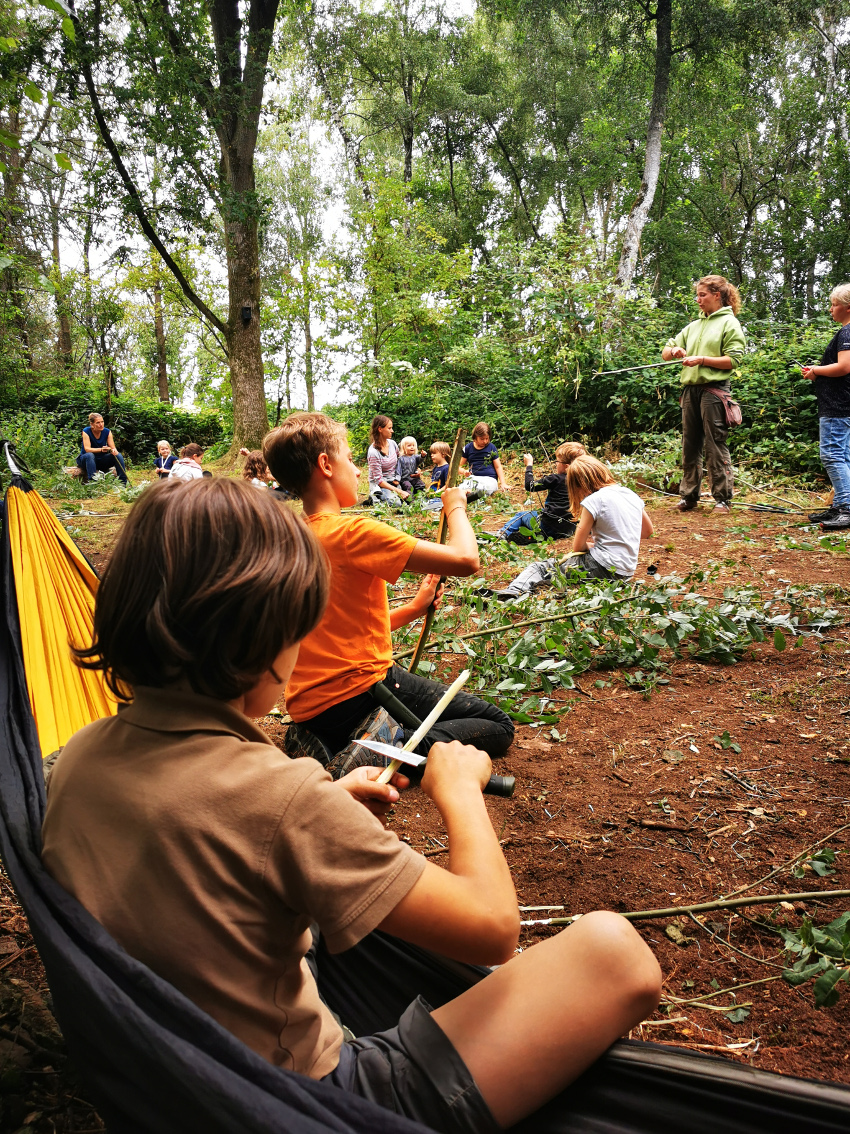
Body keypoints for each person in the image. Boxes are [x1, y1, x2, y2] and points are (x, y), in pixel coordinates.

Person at [41, 476, 661, 1132]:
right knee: (613, 950)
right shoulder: (281, 799)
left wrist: (325, 809)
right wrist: (458, 794)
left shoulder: (76, 761)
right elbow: (493, 929)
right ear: (269, 641)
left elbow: (204, 865)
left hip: (170, 1079)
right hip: (305, 1102)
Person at [263, 412, 514, 760]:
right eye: (350, 460)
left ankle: (326, 740)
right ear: (325, 465)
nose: (356, 470)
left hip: (310, 708)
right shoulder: (352, 533)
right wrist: (456, 507)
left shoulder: (287, 538)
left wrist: (414, 608)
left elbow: (336, 631)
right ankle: (383, 748)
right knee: (498, 725)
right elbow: (465, 560)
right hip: (361, 691)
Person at [496, 455, 653, 600]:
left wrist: (593, 545)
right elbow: (647, 531)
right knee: (565, 572)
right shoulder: (630, 493)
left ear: (579, 484)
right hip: (625, 573)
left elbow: (578, 546)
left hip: (600, 566)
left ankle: (514, 591)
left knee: (542, 567)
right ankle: (560, 585)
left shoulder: (593, 500)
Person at [661, 275, 746, 514]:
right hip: (690, 391)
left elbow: (734, 360)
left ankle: (722, 499)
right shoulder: (693, 326)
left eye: (703, 295)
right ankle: (689, 497)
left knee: (715, 444)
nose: (698, 300)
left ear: (717, 295)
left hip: (715, 392)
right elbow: (665, 352)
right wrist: (675, 350)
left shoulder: (729, 323)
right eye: (697, 295)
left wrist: (702, 360)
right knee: (689, 445)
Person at [802, 284, 850, 530]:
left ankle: (845, 508)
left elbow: (844, 366)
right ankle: (840, 505)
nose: (831, 309)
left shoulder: (846, 333)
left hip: (838, 406)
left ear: (847, 307)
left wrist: (815, 370)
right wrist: (817, 375)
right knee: (844, 456)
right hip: (843, 405)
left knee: (832, 455)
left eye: (834, 304)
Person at [497, 442, 587, 544]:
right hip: (569, 529)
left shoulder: (555, 479)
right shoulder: (584, 482)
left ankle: (502, 533)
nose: (556, 464)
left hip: (547, 525)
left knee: (522, 515)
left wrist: (529, 466)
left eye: (557, 461)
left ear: (566, 466)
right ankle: (534, 535)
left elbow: (530, 485)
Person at [76, 413, 128, 485]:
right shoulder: (86, 431)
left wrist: (113, 450)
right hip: (86, 460)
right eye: (98, 422)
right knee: (90, 455)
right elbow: (87, 449)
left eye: (102, 422)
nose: (101, 424)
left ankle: (123, 483)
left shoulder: (107, 432)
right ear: (92, 424)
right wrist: (101, 449)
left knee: (118, 455)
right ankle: (93, 484)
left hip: (100, 460)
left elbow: (113, 448)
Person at [367, 415, 406, 504]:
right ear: (380, 429)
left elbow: (400, 462)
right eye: (389, 428)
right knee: (396, 503)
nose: (392, 431)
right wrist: (399, 491)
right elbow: (379, 481)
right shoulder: (373, 452)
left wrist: (414, 469)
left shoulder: (393, 444)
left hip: (394, 480)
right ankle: (375, 496)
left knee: (411, 497)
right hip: (381, 484)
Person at [459, 422, 507, 497]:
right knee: (460, 488)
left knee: (485, 488)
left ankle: (473, 494)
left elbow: (498, 467)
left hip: (489, 479)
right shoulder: (468, 448)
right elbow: (458, 467)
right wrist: (464, 471)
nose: (485, 441)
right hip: (473, 478)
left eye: (487, 438)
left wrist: (503, 483)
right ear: (475, 438)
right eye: (482, 439)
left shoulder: (491, 447)